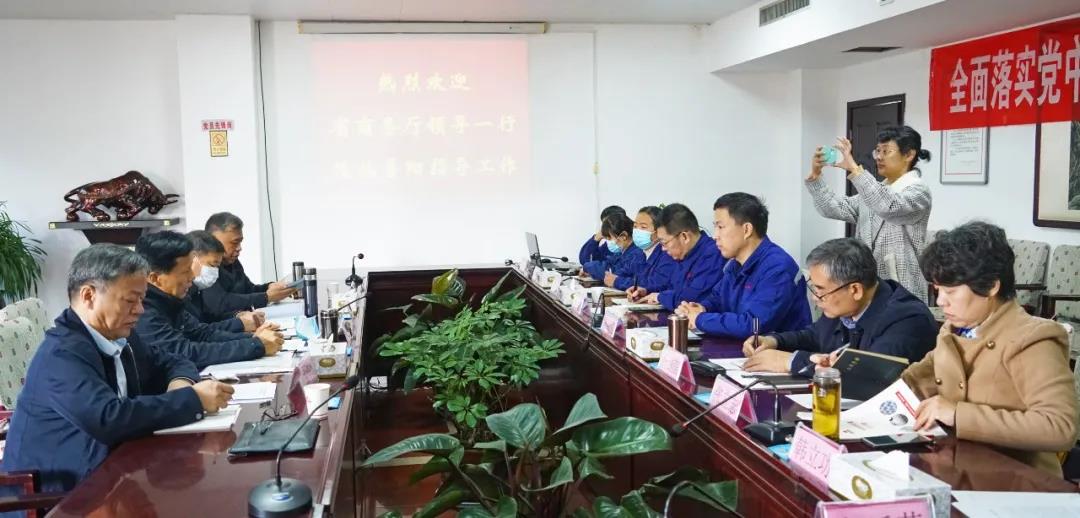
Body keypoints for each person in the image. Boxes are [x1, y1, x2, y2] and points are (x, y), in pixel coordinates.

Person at [0, 244, 234, 493]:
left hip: (112, 475)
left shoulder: (118, 335)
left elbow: (173, 360)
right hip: (55, 497)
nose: (140, 309)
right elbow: (108, 419)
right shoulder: (62, 354)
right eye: (131, 300)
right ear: (89, 296)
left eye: (142, 299)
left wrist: (180, 384)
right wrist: (192, 400)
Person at [902, 222, 1077, 476]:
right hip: (957, 469)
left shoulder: (1032, 339)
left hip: (1017, 482)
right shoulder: (955, 329)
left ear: (991, 286)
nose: (940, 301)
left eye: (950, 291)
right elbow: (917, 379)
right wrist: (863, 374)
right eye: (937, 290)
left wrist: (957, 414)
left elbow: (1060, 427)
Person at [741, 238, 937, 375]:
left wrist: (790, 362)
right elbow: (815, 336)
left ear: (855, 290)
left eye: (820, 290)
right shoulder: (846, 306)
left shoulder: (907, 319)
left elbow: (867, 375)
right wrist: (774, 341)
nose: (815, 298)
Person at [805, 125, 933, 302]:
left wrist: (855, 169)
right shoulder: (875, 191)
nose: (879, 157)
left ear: (909, 155)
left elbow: (888, 205)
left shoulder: (918, 191)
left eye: (886, 151)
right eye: (877, 151)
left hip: (903, 286)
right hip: (868, 285)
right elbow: (833, 207)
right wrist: (816, 175)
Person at [134, 231, 283, 370]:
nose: (192, 276)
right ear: (155, 278)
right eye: (185, 271)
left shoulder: (170, 300)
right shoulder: (143, 311)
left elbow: (202, 333)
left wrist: (254, 338)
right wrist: (255, 345)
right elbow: (185, 352)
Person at [676, 193, 811, 339]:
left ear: (747, 230)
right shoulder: (734, 264)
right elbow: (717, 298)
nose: (715, 236)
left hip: (777, 351)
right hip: (740, 347)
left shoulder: (778, 268)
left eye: (720, 227)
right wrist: (701, 308)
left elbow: (754, 325)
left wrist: (700, 319)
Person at [627, 203, 723, 311]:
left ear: (684, 237)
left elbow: (693, 299)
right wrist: (646, 291)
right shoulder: (683, 254)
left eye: (664, 243)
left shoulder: (713, 254)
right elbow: (669, 286)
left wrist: (660, 297)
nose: (663, 249)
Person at [202, 212, 296, 315]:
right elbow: (220, 303)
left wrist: (270, 287)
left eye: (240, 242)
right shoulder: (206, 268)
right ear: (214, 241)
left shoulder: (233, 262)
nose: (239, 248)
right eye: (234, 242)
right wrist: (266, 297)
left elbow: (248, 290)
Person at [184, 230, 262, 333]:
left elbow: (207, 318)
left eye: (217, 267)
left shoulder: (195, 290)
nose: (215, 272)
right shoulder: (179, 295)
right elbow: (199, 333)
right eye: (212, 265)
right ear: (192, 260)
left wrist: (237, 315)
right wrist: (242, 326)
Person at [608, 206, 676, 293]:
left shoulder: (667, 253)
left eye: (643, 227)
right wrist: (617, 279)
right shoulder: (639, 253)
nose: (637, 231)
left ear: (658, 231)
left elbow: (656, 284)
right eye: (635, 226)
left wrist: (618, 281)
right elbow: (621, 274)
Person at [581, 212, 645, 286]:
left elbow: (613, 272)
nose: (609, 242)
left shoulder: (636, 252)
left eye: (610, 238)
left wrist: (587, 267)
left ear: (623, 236)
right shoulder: (621, 252)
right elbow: (608, 263)